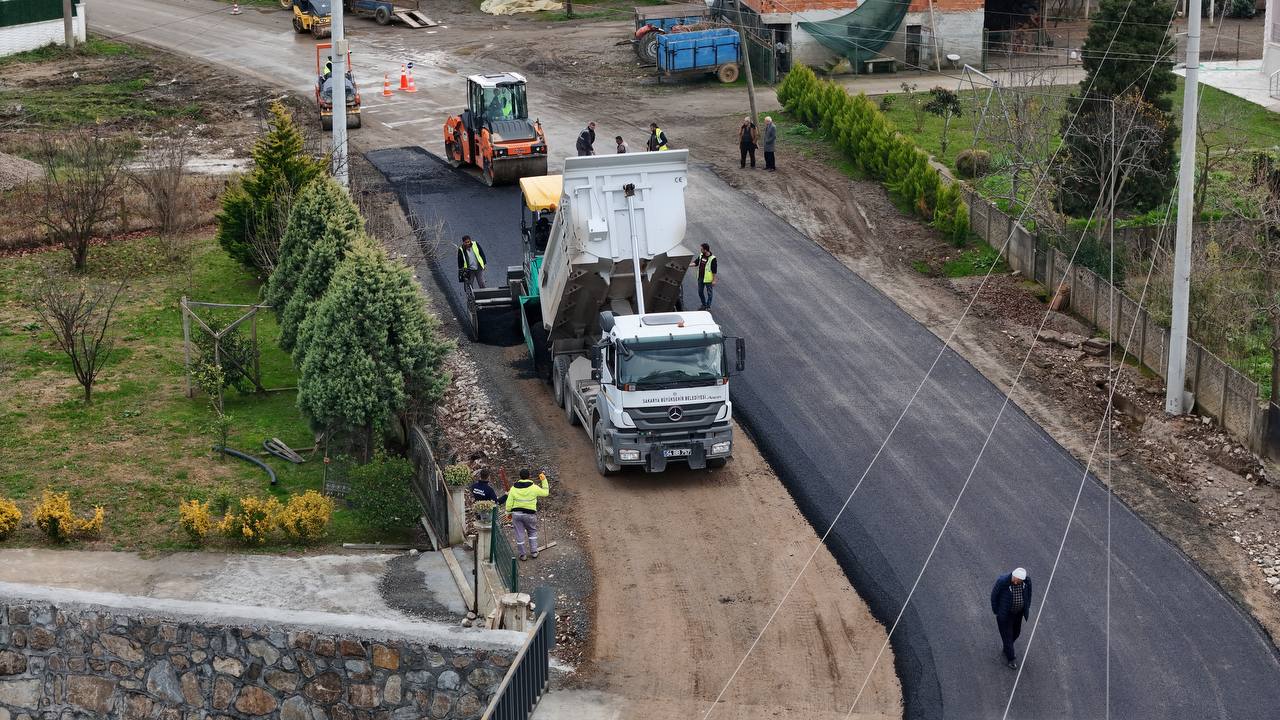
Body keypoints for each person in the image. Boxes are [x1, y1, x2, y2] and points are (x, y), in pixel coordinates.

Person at [990, 567, 1034, 669]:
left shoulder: (1026, 582)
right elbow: (994, 596)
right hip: (1005, 615)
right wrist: (997, 611)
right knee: (1007, 636)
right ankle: (1011, 659)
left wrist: (1026, 607)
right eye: (1015, 579)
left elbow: (1029, 595)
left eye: (1019, 581)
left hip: (1018, 613)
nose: (1016, 581)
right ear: (1014, 575)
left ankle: (1007, 647)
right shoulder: (1002, 581)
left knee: (1016, 633)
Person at [504, 468, 550, 560]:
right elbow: (545, 493)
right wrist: (544, 480)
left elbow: (509, 504)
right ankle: (534, 552)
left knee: (519, 534)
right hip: (530, 515)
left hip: (516, 515)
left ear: (520, 477)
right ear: (529, 477)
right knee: (532, 531)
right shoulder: (534, 487)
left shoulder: (513, 489)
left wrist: (508, 513)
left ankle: (522, 555)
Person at [690, 243, 717, 310]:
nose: (700, 250)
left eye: (701, 249)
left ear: (705, 250)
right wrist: (688, 265)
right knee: (700, 292)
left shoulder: (712, 258)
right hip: (700, 278)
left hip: (708, 280)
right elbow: (696, 263)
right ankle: (704, 304)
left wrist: (714, 280)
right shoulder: (701, 255)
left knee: (709, 293)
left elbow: (714, 271)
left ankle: (708, 306)